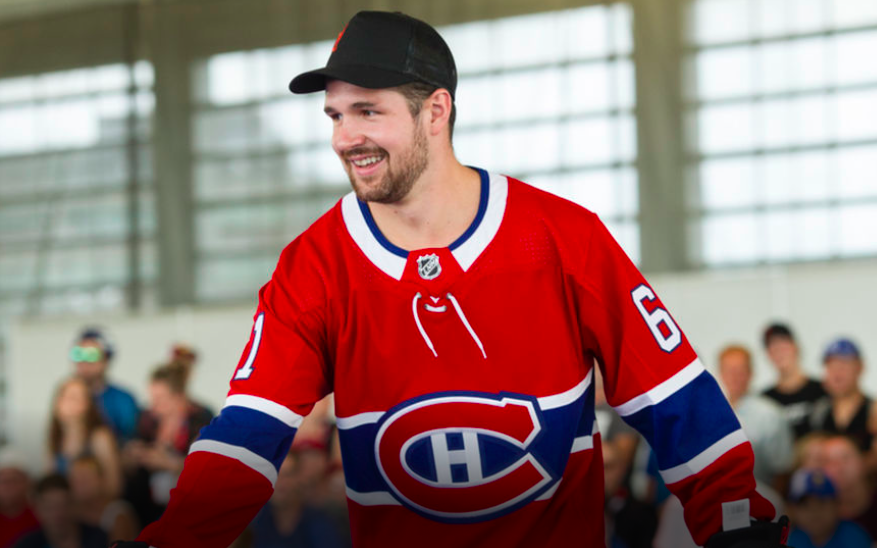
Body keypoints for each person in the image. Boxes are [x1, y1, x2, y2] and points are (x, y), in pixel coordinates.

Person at [130, 11, 784, 548]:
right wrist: (175, 538)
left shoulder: (560, 238)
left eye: (367, 111)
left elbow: (676, 401)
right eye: (334, 116)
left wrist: (734, 521)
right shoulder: (314, 265)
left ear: (435, 111)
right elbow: (250, 427)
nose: (344, 137)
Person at [122, 363, 213, 525]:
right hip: (147, 503)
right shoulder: (148, 419)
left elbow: (205, 467)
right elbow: (135, 448)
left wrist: (168, 463)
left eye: (160, 399)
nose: (153, 405)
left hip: (187, 500)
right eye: (152, 398)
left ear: (178, 397)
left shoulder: (201, 419)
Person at [717, 344, 794, 488]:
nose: (734, 376)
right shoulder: (710, 414)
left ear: (751, 373)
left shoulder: (770, 414)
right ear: (720, 373)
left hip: (760, 500)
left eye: (740, 370)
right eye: (729, 370)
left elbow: (782, 471)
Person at [46, 378, 122, 498]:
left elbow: (114, 486)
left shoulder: (100, 437)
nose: (71, 402)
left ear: (88, 404)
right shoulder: (56, 439)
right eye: (67, 396)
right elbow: (50, 484)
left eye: (77, 397)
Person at [808, 338, 877, 468]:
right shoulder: (820, 410)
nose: (837, 373)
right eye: (831, 366)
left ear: (859, 368)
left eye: (843, 366)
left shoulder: (873, 409)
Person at [70, 328, 140, 444]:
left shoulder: (123, 400)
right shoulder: (66, 397)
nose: (84, 361)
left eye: (91, 354)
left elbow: (130, 443)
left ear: (107, 359)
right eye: (78, 354)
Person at [761, 323, 826, 440]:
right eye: (772, 347)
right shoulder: (764, 400)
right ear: (768, 354)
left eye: (783, 345)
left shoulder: (823, 390)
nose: (779, 351)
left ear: (796, 347)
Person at [13, 474, 108, 548]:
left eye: (63, 505)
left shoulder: (98, 538)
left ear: (73, 505)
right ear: (38, 510)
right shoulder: (27, 544)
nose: (58, 514)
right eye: (49, 507)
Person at [785, 468, 871, 548]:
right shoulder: (792, 538)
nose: (814, 512)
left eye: (822, 502)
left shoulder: (854, 538)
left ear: (837, 505)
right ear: (793, 510)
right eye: (805, 505)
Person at [68, 456, 139, 541]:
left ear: (101, 479)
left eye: (85, 479)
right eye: (76, 480)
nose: (80, 485)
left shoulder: (118, 513)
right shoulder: (69, 513)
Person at [821, 434, 877, 541]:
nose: (838, 467)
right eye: (829, 461)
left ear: (863, 461)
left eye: (845, 458)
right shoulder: (815, 515)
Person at [0, 448, 39, 548]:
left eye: (14, 480)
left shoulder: (40, 516)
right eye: (3, 481)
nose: (8, 486)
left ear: (27, 483)